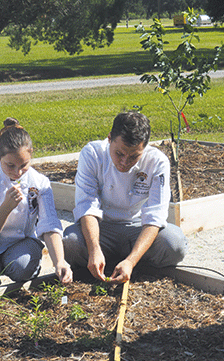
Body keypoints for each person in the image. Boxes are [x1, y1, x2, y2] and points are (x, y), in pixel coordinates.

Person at [63, 111, 188, 283]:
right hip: (102, 226)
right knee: (70, 242)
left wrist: (131, 260)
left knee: (175, 244)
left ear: (145, 147)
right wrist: (93, 249)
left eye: (134, 156)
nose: (124, 162)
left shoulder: (158, 162)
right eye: (119, 154)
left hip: (137, 226)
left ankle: (129, 263)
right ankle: (103, 259)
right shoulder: (92, 154)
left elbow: (155, 216)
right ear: (109, 139)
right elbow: (87, 206)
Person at [0, 118, 73, 290]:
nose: (17, 172)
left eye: (23, 165)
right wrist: (6, 207)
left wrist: (60, 261)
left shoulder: (39, 182)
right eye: (10, 165)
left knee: (22, 267)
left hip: (20, 243)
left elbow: (49, 224)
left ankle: (10, 276)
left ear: (31, 154)